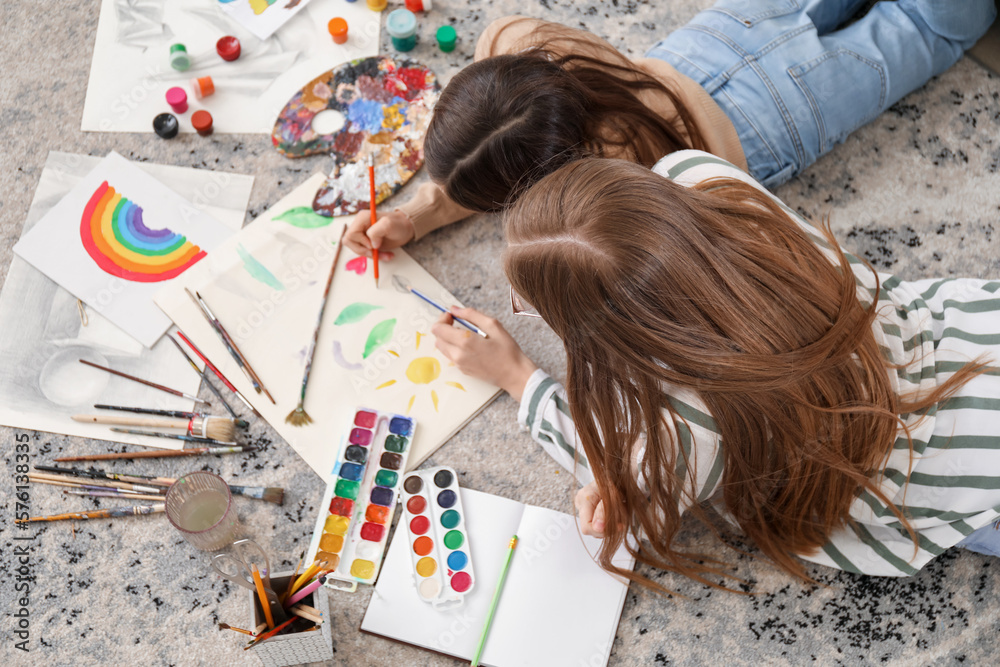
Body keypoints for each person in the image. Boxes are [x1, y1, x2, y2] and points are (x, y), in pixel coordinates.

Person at [430, 150, 1000, 587]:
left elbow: (627, 485)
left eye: (532, 307)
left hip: (959, 473)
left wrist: (518, 378)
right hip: (970, 329)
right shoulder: (696, 173)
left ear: (609, 333)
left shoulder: (684, 433)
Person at [344, 0, 996, 260]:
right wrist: (421, 210)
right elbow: (503, 139)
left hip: (768, 125)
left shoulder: (598, 194)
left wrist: (428, 212)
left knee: (923, 26)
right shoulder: (514, 38)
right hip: (711, 46)